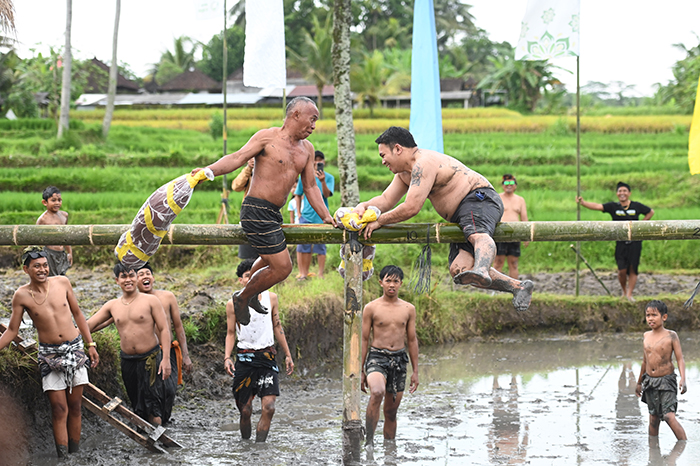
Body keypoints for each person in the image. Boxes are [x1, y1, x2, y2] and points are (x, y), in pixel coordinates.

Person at [191, 96, 336, 326]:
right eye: (312, 119)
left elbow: (309, 186)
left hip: (273, 213)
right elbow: (237, 158)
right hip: (255, 210)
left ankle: (249, 295)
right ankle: (243, 297)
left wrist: (327, 217)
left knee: (269, 260)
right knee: (283, 267)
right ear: (295, 115)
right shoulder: (267, 137)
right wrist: (208, 171)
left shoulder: (307, 149)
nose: (314, 126)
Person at [356, 126, 534, 312]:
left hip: (478, 198)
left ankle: (481, 268)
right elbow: (386, 200)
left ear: (398, 149)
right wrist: (364, 205)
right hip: (460, 216)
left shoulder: (423, 163)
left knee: (476, 232)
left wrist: (380, 221)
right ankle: (518, 287)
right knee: (460, 270)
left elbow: (412, 207)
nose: (383, 161)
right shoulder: (404, 174)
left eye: (383, 155)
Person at [0, 246, 99, 458]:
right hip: (49, 355)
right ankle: (63, 457)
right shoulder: (22, 295)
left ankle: (75, 454)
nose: (43, 270)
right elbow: (12, 330)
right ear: (26, 269)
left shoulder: (62, 282)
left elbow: (78, 313)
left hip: (74, 348)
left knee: (75, 406)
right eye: (37, 266)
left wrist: (91, 344)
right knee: (59, 408)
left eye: (45, 265)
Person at [88, 263, 172, 426]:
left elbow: (164, 329)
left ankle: (157, 437)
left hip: (150, 359)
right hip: (128, 360)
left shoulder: (150, 301)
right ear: (117, 281)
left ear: (136, 278)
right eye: (124, 276)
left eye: (131, 275)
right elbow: (89, 325)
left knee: (152, 402)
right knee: (136, 401)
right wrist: (67, 334)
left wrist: (166, 359)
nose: (128, 279)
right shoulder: (113, 305)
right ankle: (144, 436)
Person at [224, 258, 294, 442]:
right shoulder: (233, 303)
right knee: (245, 410)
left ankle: (260, 448)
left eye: (256, 275)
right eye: (248, 276)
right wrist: (227, 357)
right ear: (241, 280)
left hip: (267, 358)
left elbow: (277, 326)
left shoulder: (271, 298)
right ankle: (246, 445)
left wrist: (287, 354)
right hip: (245, 359)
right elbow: (231, 333)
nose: (252, 279)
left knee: (269, 408)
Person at [361, 265, 418, 446]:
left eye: (395, 281)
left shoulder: (409, 309)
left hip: (399, 359)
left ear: (401, 283)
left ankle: (389, 451)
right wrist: (360, 369)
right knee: (377, 392)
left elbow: (412, 339)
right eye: (388, 281)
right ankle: (369, 442)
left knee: (391, 413)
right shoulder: (371, 308)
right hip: (377, 357)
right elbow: (363, 339)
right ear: (381, 283)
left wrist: (415, 371)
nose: (391, 285)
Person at [577, 182, 654, 302]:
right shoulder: (614, 206)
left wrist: (640, 225)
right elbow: (598, 206)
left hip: (635, 242)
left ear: (629, 193)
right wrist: (583, 203)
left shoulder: (636, 206)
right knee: (622, 270)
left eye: (625, 191)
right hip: (621, 242)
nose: (622, 193)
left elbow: (651, 212)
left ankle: (629, 294)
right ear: (617, 193)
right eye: (620, 191)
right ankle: (623, 292)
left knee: (633, 268)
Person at [136, 263, 192, 424]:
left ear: (153, 278)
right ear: (135, 280)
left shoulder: (167, 297)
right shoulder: (134, 301)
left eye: (148, 273)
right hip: (147, 352)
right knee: (150, 391)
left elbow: (178, 326)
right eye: (141, 274)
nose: (145, 276)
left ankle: (163, 421)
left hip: (169, 350)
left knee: (169, 389)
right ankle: (152, 421)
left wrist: (186, 356)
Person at [635, 300, 687, 440]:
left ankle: (683, 444)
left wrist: (683, 378)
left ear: (664, 317)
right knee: (653, 418)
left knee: (669, 416)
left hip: (666, 381)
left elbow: (680, 359)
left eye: (654, 315)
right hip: (650, 381)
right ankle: (653, 454)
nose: (650, 318)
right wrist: (639, 382)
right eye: (648, 315)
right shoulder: (646, 336)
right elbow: (645, 361)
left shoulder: (671, 336)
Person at [294, 150, 335, 280]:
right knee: (303, 245)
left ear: (324, 162)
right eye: (315, 160)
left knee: (320, 246)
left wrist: (322, 181)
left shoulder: (329, 178)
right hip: (306, 215)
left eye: (320, 160)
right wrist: (299, 212)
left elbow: (327, 195)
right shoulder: (305, 176)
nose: (318, 162)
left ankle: (320, 274)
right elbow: (298, 194)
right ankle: (303, 273)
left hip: (322, 217)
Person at [493, 174, 529, 279]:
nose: (509, 185)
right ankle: (495, 289)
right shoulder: (497, 198)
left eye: (511, 183)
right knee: (498, 262)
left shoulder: (520, 200)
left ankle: (514, 287)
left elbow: (524, 218)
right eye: (506, 183)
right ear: (503, 185)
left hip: (515, 234)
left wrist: (526, 236)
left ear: (515, 185)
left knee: (513, 263)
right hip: (500, 233)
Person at [36, 186, 73, 276]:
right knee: (50, 277)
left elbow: (65, 236)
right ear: (45, 202)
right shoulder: (43, 219)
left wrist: (70, 252)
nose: (57, 203)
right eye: (53, 200)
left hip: (62, 252)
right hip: (49, 253)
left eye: (59, 200)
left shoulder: (64, 215)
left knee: (62, 276)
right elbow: (35, 239)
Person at [231, 158, 259, 261]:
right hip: (249, 216)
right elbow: (236, 186)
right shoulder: (250, 172)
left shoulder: (273, 170)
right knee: (248, 257)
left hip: (267, 216)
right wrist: (248, 169)